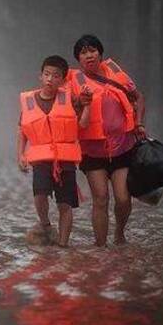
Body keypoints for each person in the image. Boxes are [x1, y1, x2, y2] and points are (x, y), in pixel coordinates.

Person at [68, 34, 146, 247]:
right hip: (93, 152)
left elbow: (138, 97)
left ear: (100, 53)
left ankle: (119, 233)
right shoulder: (73, 82)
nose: (89, 55)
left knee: (123, 199)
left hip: (122, 148)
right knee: (101, 198)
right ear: (78, 60)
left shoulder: (117, 74)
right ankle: (100, 247)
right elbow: (66, 107)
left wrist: (138, 123)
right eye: (83, 53)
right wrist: (78, 102)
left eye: (92, 50)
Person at [17, 55, 90, 248]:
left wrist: (87, 106)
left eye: (56, 76)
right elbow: (22, 130)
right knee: (39, 194)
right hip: (41, 158)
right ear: (40, 76)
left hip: (65, 160)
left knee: (65, 204)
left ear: (63, 80)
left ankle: (63, 246)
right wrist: (21, 155)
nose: (50, 79)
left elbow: (83, 124)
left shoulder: (71, 101)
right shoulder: (28, 101)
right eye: (47, 74)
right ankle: (46, 224)